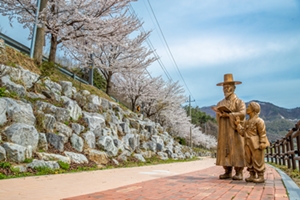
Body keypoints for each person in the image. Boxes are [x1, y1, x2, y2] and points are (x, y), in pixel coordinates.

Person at [212, 73, 246, 180]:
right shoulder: (220, 103)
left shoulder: (239, 102)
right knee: (224, 149)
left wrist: (230, 115)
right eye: (224, 87)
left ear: (234, 88)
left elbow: (243, 113)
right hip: (224, 130)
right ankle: (227, 171)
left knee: (237, 148)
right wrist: (220, 114)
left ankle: (239, 172)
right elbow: (218, 116)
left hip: (235, 129)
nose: (226, 89)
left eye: (228, 87)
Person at [235, 102, 270, 183]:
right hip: (247, 143)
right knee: (249, 159)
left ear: (253, 109)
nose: (247, 108)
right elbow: (243, 133)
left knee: (258, 159)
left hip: (256, 144)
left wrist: (262, 142)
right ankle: (252, 175)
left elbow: (262, 133)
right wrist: (238, 125)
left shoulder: (259, 121)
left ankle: (260, 176)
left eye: (249, 107)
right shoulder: (247, 122)